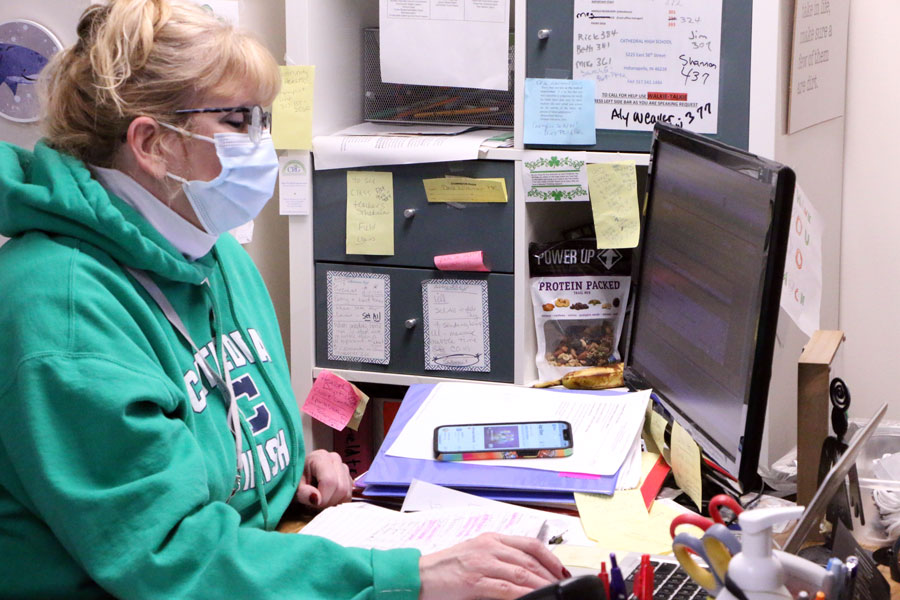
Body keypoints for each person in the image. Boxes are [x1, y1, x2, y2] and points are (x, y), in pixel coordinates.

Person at [0, 1, 568, 598]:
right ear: (153, 143)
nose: (264, 144)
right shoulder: (59, 315)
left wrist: (288, 470)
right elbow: (170, 561)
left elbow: (220, 437)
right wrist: (411, 577)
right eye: (240, 120)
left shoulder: (213, 254)